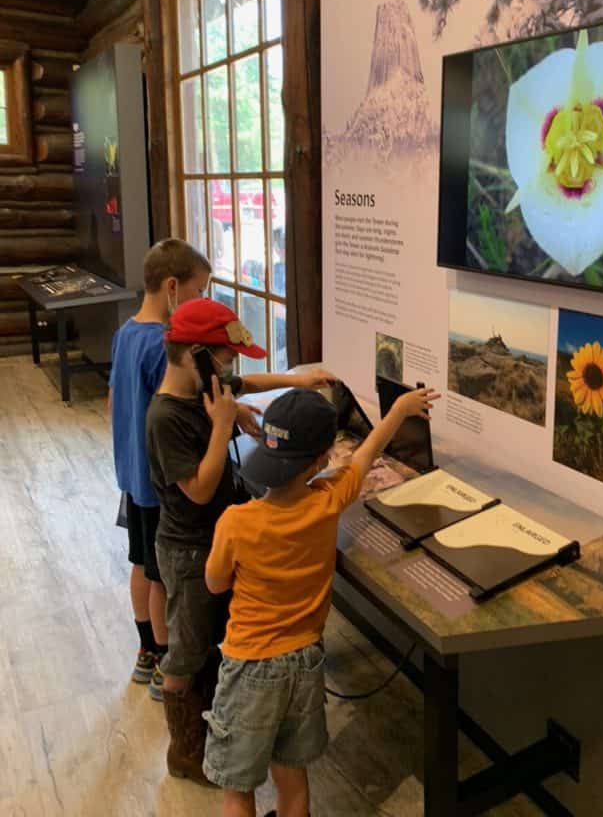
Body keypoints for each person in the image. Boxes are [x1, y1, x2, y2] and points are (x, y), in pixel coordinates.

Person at [202, 383, 439, 817]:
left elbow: (215, 584)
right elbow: (367, 453)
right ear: (321, 460)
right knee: (292, 774)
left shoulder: (236, 522)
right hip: (305, 662)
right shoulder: (329, 500)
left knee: (238, 787)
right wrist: (401, 409)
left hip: (249, 666)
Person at [145, 297, 333, 784]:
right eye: (224, 357)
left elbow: (247, 383)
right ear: (196, 354)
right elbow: (200, 486)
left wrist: (296, 380)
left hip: (213, 541)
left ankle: (213, 733)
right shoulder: (166, 417)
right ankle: (184, 752)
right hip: (188, 551)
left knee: (209, 640)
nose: (229, 368)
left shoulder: (202, 388)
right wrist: (224, 425)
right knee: (185, 653)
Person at [109, 238, 213, 700]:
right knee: (160, 577)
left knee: (139, 564)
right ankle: (165, 661)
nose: (201, 300)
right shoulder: (160, 345)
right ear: (172, 287)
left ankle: (145, 652)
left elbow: (115, 400)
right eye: (199, 289)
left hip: (130, 477)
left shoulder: (126, 332)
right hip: (156, 485)